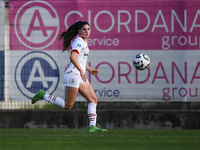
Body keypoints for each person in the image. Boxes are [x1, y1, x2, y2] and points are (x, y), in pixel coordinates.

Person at [31, 21, 107, 133]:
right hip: (73, 75)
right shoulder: (79, 41)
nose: (87, 31)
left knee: (93, 99)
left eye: (88, 29)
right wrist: (81, 71)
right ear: (79, 31)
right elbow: (73, 57)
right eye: (84, 29)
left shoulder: (83, 41)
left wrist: (89, 69)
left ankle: (92, 126)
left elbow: (80, 60)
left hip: (78, 74)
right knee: (68, 105)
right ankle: (43, 95)